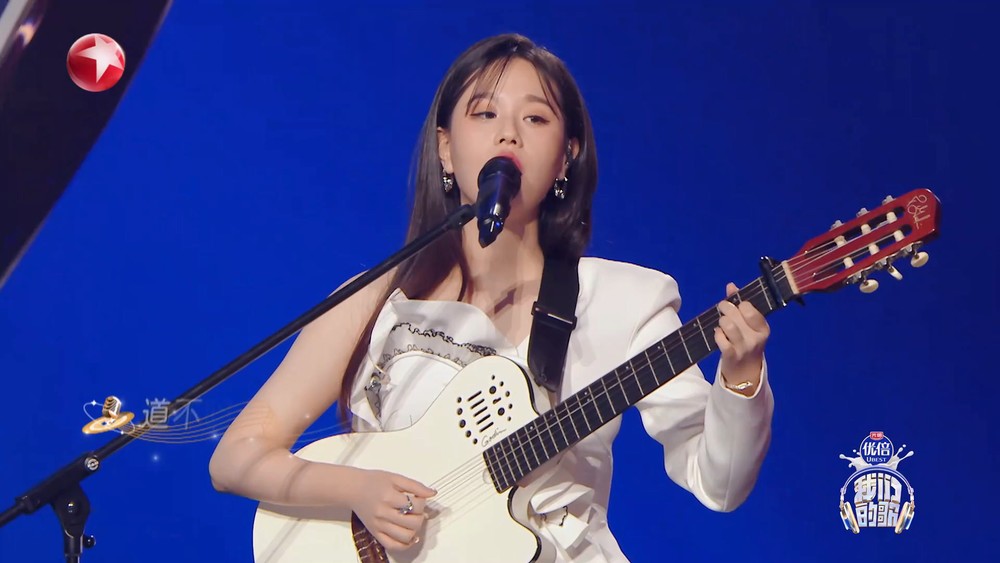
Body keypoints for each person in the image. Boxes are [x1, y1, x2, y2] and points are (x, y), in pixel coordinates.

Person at [209, 33, 774, 562]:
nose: (509, 135)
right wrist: (357, 488)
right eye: (485, 114)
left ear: (567, 156)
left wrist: (741, 377)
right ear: (445, 148)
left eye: (535, 118)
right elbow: (237, 457)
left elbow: (719, 484)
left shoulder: (624, 302)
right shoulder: (372, 301)